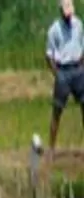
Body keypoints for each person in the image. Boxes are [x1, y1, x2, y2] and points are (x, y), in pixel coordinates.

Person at [46, 0, 84, 161]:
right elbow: (49, 55)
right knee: (57, 111)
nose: (68, 16)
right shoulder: (54, 30)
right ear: (60, 11)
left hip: (78, 69)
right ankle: (51, 149)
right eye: (65, 13)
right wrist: (57, 74)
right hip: (63, 70)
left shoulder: (79, 25)